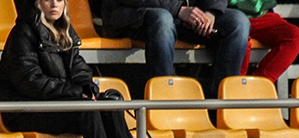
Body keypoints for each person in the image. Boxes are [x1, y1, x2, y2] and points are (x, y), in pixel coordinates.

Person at [0, 0, 160, 138]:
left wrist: (87, 86)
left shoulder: (64, 30)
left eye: (58, 0)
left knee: (108, 101)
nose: (54, 4)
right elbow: (30, 81)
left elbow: (79, 68)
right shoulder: (22, 33)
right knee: (86, 109)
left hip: (56, 104)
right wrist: (74, 92)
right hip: (24, 110)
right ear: (37, 3)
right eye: (48, 0)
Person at [101, 0, 250, 98]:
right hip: (132, 14)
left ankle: (221, 104)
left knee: (238, 22)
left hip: (182, 17)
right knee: (163, 20)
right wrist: (178, 9)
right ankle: (162, 101)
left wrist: (210, 12)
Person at [228, 0, 299, 83]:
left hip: (262, 15)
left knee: (294, 35)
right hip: (232, 14)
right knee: (241, 39)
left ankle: (260, 85)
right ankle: (237, 87)